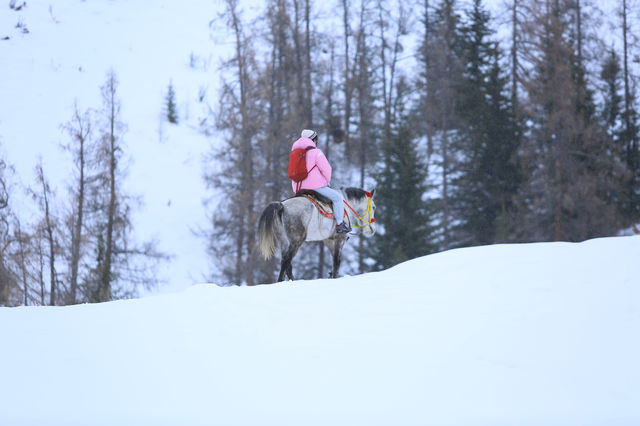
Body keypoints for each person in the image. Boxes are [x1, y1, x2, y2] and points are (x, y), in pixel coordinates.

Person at [290, 129, 351, 234]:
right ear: (313, 140)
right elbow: (327, 169)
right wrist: (327, 181)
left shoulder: (294, 153)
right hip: (315, 186)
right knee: (337, 198)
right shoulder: (316, 152)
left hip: (297, 187)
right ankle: (340, 224)